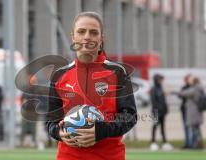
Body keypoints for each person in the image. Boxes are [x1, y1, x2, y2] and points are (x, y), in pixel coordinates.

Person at [45, 12, 137, 160]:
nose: (87, 36)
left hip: (109, 156)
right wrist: (58, 132)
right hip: (68, 156)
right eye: (81, 32)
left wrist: (101, 131)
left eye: (93, 32)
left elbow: (130, 116)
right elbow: (50, 121)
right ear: (73, 37)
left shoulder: (117, 72)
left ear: (101, 39)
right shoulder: (59, 75)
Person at [176, 76, 204, 149]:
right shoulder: (200, 88)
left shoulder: (195, 89)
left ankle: (196, 144)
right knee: (196, 128)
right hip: (197, 111)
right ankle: (197, 144)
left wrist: (174, 92)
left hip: (194, 112)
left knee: (194, 128)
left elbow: (183, 93)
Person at [150, 74, 172, 151]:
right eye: (160, 79)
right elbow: (154, 102)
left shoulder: (161, 88)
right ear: (156, 80)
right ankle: (153, 142)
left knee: (163, 127)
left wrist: (165, 110)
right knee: (155, 126)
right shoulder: (153, 89)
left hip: (162, 112)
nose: (161, 81)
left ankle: (164, 142)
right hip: (156, 112)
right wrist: (157, 110)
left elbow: (163, 101)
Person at [178, 74, 191, 149]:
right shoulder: (184, 87)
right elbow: (180, 95)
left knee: (190, 127)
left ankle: (191, 143)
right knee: (185, 127)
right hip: (184, 110)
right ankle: (187, 143)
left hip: (190, 111)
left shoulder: (192, 87)